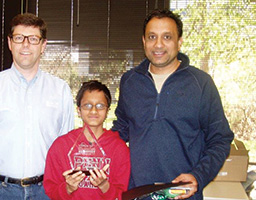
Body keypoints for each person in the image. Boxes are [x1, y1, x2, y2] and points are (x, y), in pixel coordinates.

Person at [112, 9, 234, 199]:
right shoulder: (130, 81)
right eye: (152, 37)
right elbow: (121, 129)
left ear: (180, 41)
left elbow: (220, 139)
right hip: (138, 192)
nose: (158, 44)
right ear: (144, 40)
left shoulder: (201, 83)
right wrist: (92, 150)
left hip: (181, 192)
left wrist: (198, 176)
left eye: (167, 37)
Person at [0, 13, 74, 200]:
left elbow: (65, 147)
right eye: (19, 38)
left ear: (43, 45)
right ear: (10, 43)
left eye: (33, 39)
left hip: (46, 191)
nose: (26, 45)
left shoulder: (60, 91)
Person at [44, 80, 130, 200]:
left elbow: (122, 195)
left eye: (100, 106)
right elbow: (51, 191)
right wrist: (68, 188)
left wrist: (104, 185)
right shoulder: (61, 146)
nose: (93, 111)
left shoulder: (119, 148)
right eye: (87, 105)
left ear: (107, 111)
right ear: (79, 110)